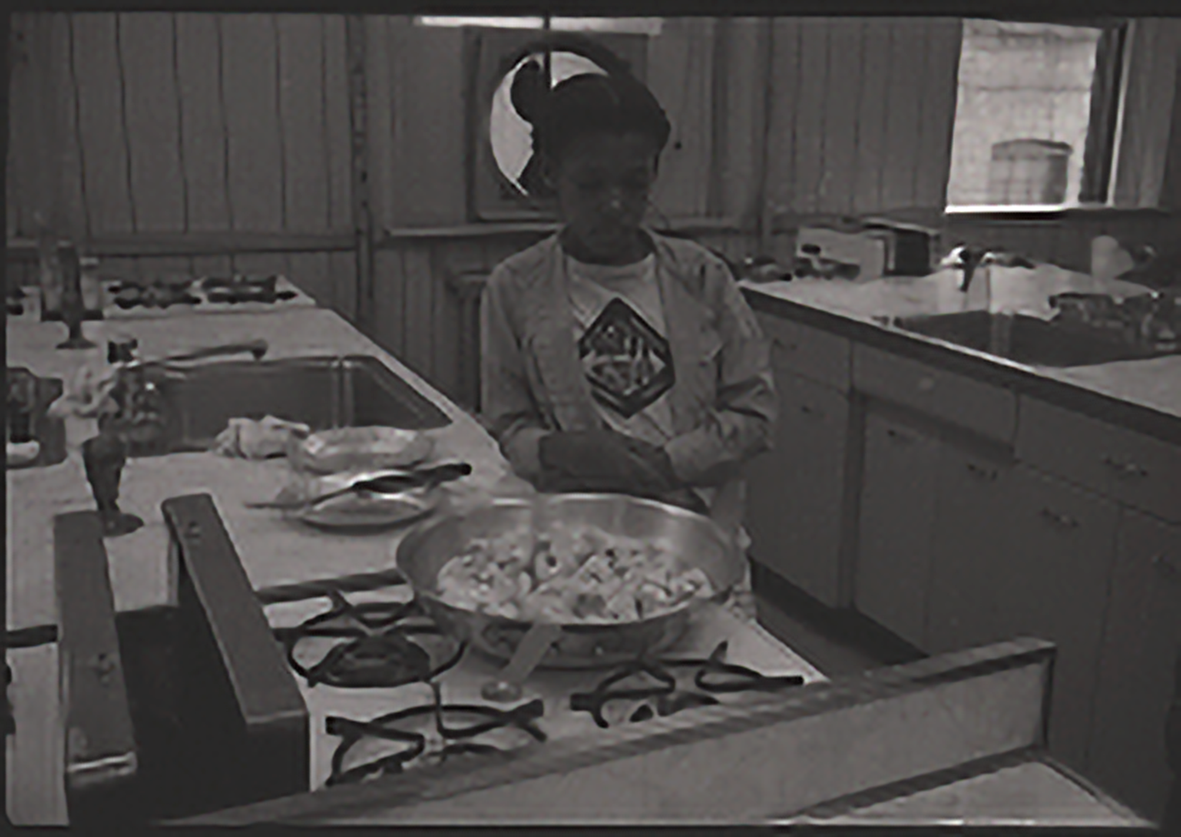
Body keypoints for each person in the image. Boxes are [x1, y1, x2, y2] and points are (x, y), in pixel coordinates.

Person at [479, 63, 777, 617]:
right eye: (590, 185)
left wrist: (668, 464)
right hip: (572, 561)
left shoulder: (702, 277)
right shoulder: (514, 288)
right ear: (550, 176)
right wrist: (563, 450)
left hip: (699, 548)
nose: (615, 203)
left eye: (634, 183)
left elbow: (756, 415)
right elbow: (506, 422)